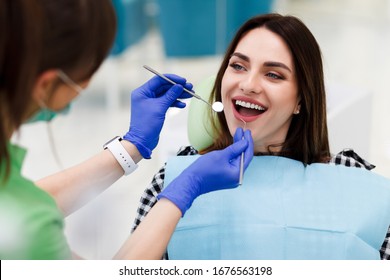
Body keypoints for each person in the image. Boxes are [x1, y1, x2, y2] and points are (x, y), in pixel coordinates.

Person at [0, 0, 254, 259]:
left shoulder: (20, 209)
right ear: (47, 85)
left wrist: (130, 146)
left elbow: (28, 201)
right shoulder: (26, 231)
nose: (250, 85)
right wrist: (184, 189)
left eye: (274, 75)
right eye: (89, 73)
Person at [131, 13, 390, 260]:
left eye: (273, 74)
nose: (248, 85)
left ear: (301, 99)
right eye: (238, 66)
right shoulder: (176, 177)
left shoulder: (356, 181)